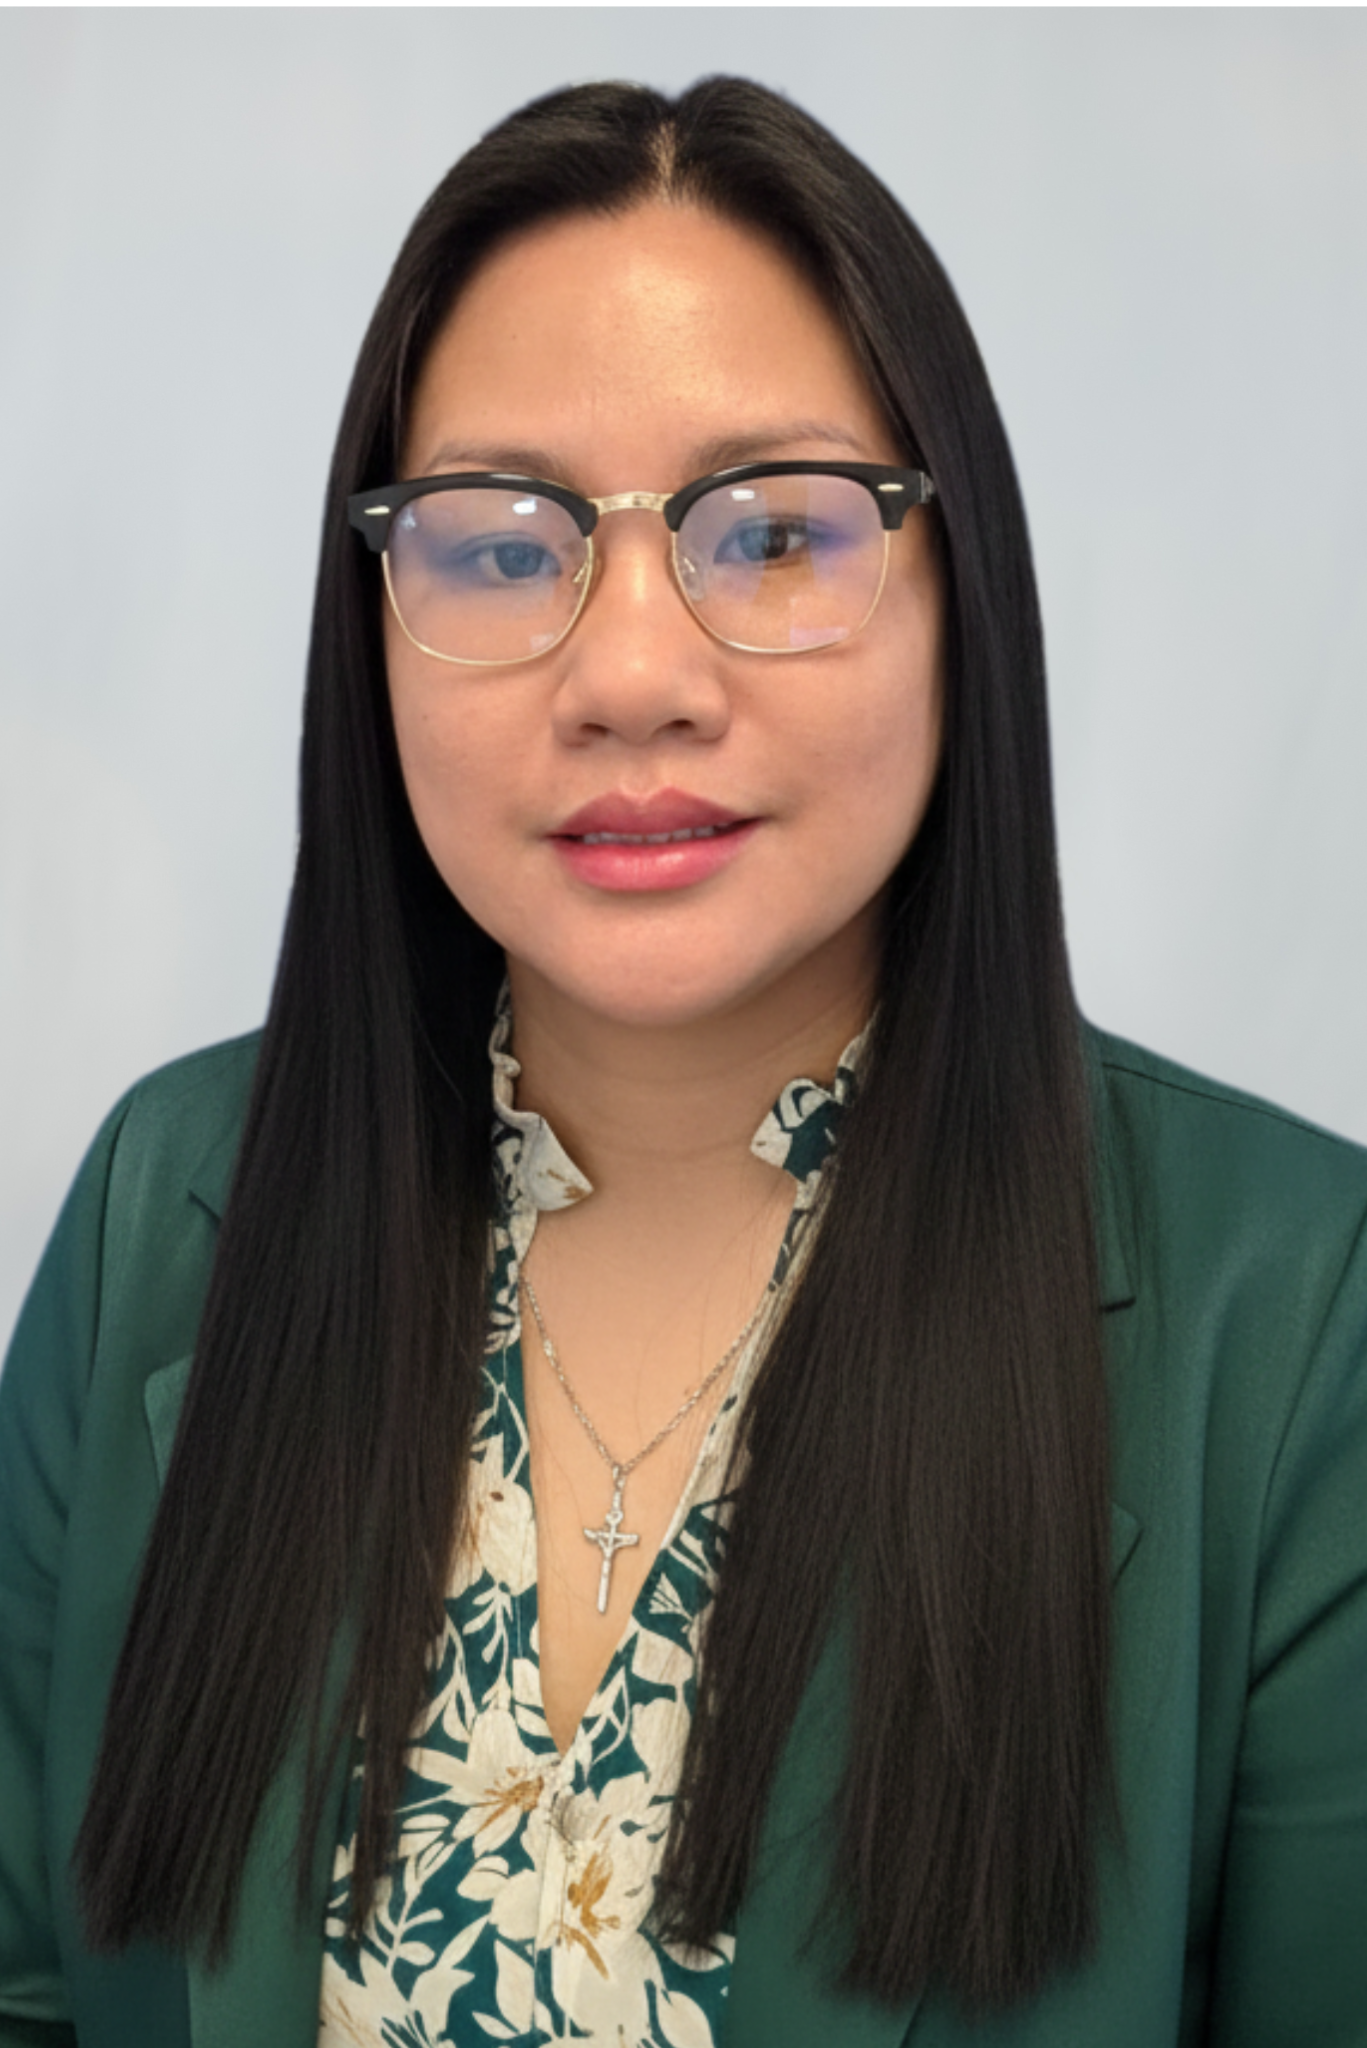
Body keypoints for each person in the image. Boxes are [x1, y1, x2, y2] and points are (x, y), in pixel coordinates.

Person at [1, 75, 1364, 2048]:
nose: (632, 675)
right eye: (498, 547)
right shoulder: (164, 1204)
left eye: (774, 532)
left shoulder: (1302, 1315)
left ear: (959, 589)